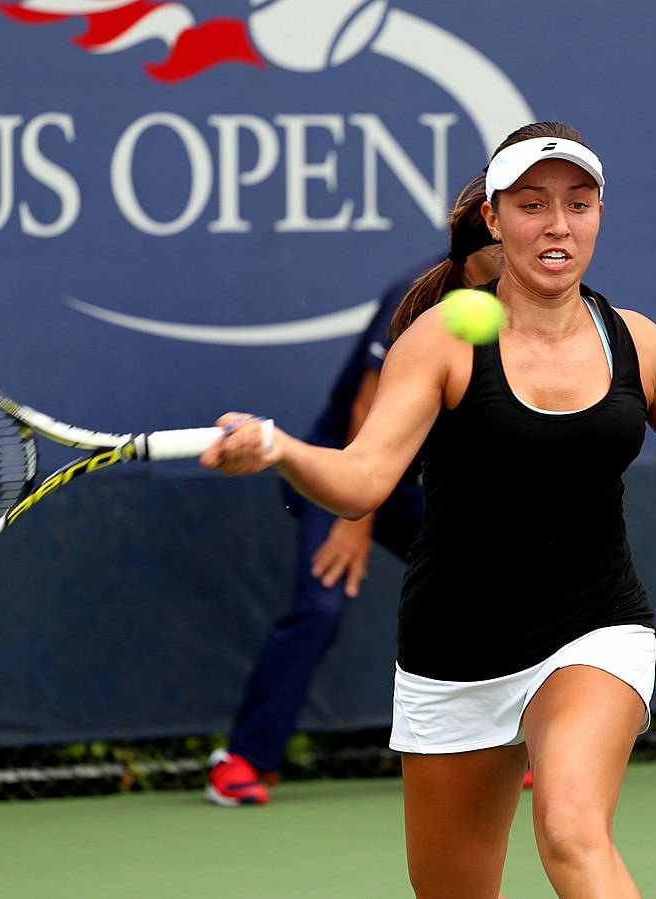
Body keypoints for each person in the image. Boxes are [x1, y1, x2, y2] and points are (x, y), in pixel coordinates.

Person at [200, 121, 656, 897]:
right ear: (494, 219)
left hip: (595, 629)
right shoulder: (440, 341)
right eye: (532, 204)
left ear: (599, 215)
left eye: (579, 203)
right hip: (452, 656)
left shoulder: (639, 345)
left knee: (571, 829)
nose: (558, 224)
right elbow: (363, 478)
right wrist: (280, 448)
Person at [206, 181, 505, 806]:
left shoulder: (526, 302)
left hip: (422, 477)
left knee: (493, 584)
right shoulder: (421, 295)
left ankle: (501, 744)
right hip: (340, 465)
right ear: (485, 229)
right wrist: (354, 515)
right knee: (322, 603)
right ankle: (241, 759)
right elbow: (367, 411)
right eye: (517, 221)